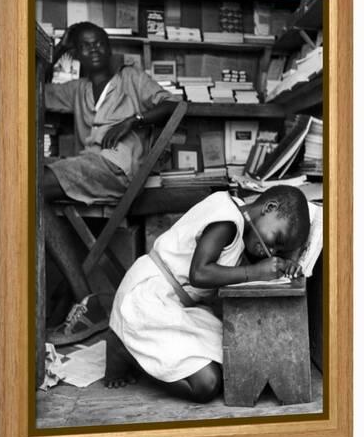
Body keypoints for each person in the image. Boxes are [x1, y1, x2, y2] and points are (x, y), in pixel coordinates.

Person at [105, 186, 310, 403]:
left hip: (176, 305)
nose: (271, 250)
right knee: (206, 385)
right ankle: (126, 351)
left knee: (236, 362)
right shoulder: (227, 221)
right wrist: (255, 272)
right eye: (276, 239)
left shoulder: (242, 223)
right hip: (147, 300)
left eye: (279, 251)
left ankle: (139, 348)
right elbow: (199, 273)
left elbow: (250, 263)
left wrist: (284, 266)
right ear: (269, 208)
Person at [44, 21, 179, 346]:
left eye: (100, 43)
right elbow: (35, 92)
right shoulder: (76, 90)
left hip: (115, 171)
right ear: (76, 54)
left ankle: (86, 300)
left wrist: (134, 120)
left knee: (29, 186)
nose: (94, 50)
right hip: (87, 169)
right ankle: (82, 300)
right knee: (28, 189)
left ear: (109, 46)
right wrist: (56, 52)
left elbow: (172, 104)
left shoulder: (130, 78)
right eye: (85, 46)